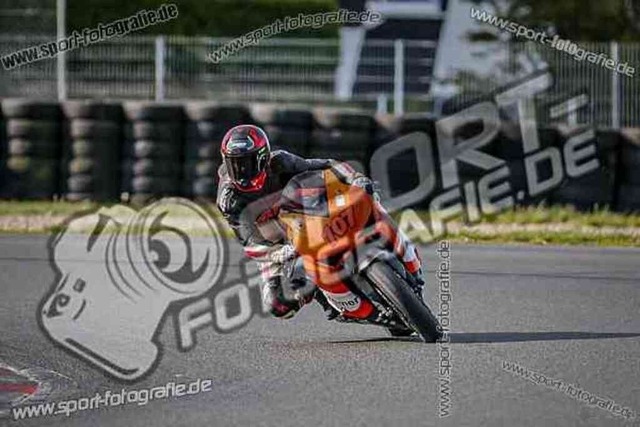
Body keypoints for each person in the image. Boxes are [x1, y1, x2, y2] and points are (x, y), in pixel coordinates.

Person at [216, 124, 425, 320]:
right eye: (234, 164)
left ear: (263, 158)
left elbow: (327, 165)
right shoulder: (229, 199)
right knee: (278, 305)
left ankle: (413, 267)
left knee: (369, 202)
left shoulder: (280, 162)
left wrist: (355, 178)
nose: (241, 171)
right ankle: (343, 306)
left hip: (303, 215)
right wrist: (278, 253)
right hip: (273, 246)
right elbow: (249, 241)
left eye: (247, 163)